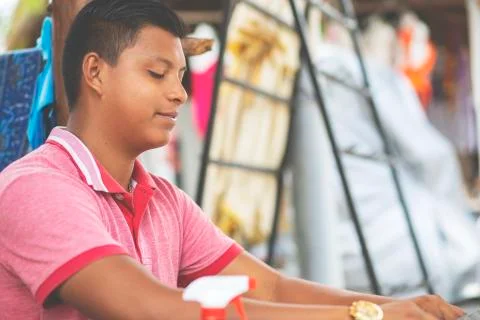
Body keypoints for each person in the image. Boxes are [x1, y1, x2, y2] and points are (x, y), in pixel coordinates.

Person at [0, 0, 466, 319]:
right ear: (95, 72)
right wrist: (367, 316)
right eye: (157, 73)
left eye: (181, 76)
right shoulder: (36, 188)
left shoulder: (164, 201)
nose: (179, 93)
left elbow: (271, 288)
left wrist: (395, 307)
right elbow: (150, 308)